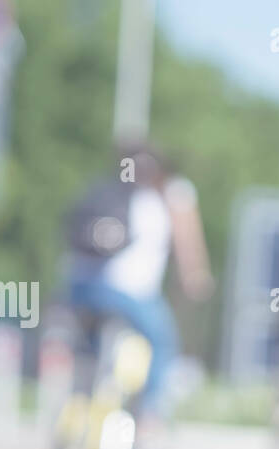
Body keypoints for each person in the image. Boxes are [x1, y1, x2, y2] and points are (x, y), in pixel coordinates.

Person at [64, 142, 213, 420]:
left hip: (79, 289)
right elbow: (186, 247)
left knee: (90, 349)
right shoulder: (157, 201)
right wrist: (195, 280)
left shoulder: (100, 191)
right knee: (163, 343)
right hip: (129, 293)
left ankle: (80, 405)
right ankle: (149, 414)